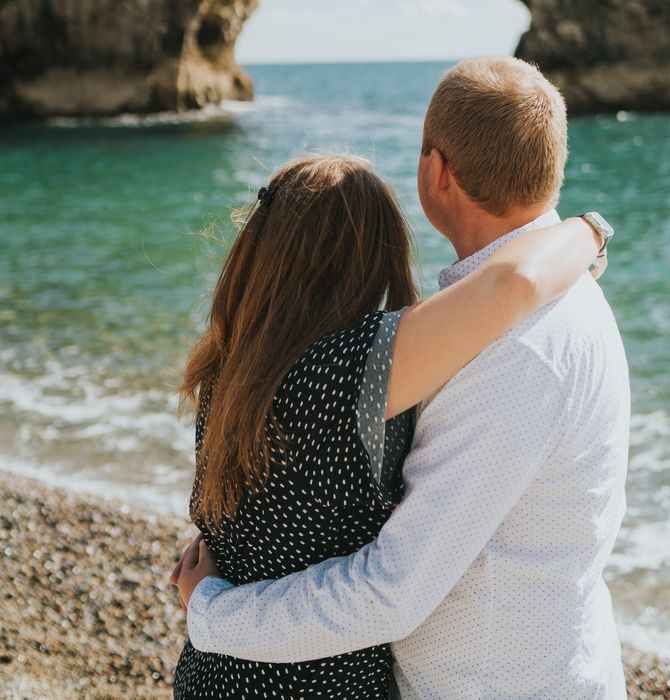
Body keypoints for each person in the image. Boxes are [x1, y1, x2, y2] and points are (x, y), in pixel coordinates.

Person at [173, 56, 630, 699]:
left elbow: (390, 591)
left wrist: (212, 612)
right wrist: (590, 232)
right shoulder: (523, 309)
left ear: (435, 171)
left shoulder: (234, 370)